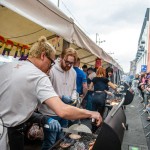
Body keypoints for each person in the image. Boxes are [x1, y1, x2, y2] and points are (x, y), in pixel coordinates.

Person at [0, 36, 102, 150]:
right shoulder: (39, 76)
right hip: (8, 136)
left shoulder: (7, 66)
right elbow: (62, 110)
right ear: (43, 55)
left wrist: (42, 119)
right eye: (51, 62)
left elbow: (16, 109)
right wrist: (91, 113)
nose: (51, 66)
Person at [38, 48, 83, 149]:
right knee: (50, 142)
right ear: (61, 58)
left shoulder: (73, 72)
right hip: (50, 113)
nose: (69, 65)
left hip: (65, 112)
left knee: (61, 140)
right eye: (67, 62)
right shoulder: (51, 70)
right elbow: (45, 92)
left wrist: (73, 97)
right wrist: (61, 98)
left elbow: (74, 88)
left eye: (71, 63)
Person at [88, 66, 117, 133]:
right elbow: (113, 87)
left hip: (94, 96)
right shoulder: (105, 79)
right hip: (101, 97)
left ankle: (93, 127)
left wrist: (96, 88)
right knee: (100, 113)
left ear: (97, 72)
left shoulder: (94, 79)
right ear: (104, 72)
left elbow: (90, 88)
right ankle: (98, 128)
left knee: (93, 113)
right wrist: (116, 89)